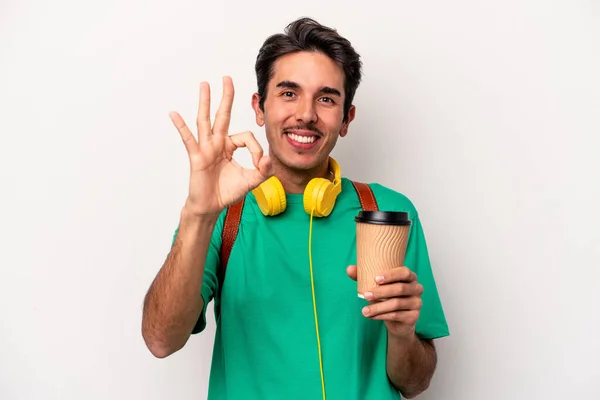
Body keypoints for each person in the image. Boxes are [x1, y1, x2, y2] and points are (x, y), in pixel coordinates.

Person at [142, 17, 449, 400]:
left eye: (326, 98)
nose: (306, 114)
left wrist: (402, 334)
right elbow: (160, 340)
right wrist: (197, 215)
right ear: (260, 107)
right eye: (289, 93)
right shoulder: (221, 215)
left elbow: (415, 382)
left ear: (346, 118)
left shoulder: (388, 213)